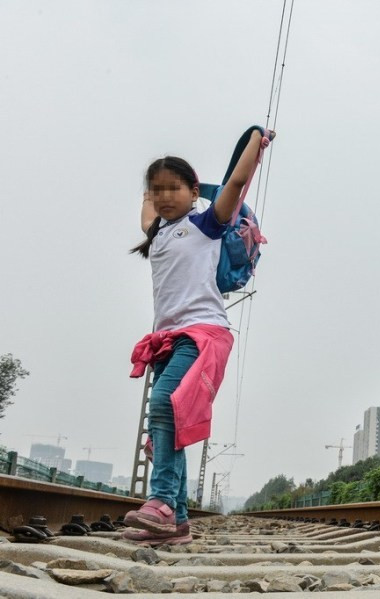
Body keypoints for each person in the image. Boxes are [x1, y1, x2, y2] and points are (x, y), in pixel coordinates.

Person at [123, 129, 273, 546]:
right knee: (170, 422)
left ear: (194, 192)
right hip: (167, 341)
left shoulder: (205, 225)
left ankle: (162, 502)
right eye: (157, 190)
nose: (164, 196)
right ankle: (178, 524)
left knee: (163, 405)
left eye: (174, 188)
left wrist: (255, 141)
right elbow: (147, 206)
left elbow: (236, 184)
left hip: (203, 333)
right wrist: (151, 187)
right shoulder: (157, 233)